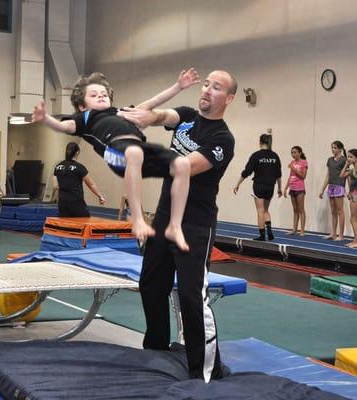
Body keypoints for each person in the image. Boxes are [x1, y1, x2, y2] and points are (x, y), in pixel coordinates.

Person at [118, 70, 237, 382]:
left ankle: (205, 371)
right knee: (151, 285)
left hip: (195, 226)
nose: (208, 90)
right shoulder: (185, 117)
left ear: (229, 98)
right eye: (207, 84)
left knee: (191, 298)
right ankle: (156, 351)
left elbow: (184, 167)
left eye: (217, 87)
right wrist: (165, 95)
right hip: (164, 218)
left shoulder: (222, 139)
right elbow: (146, 115)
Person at [32, 69, 201, 252]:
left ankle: (174, 226)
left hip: (140, 152)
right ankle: (137, 219)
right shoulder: (85, 118)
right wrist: (46, 119)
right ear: (82, 105)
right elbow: (63, 126)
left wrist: (179, 86)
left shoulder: (121, 112)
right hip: (115, 153)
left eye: (104, 94)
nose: (101, 97)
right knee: (134, 153)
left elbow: (152, 102)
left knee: (183, 164)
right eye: (94, 95)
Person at [233, 134, 282, 241]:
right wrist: (279, 188)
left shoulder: (256, 155)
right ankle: (269, 233)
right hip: (270, 186)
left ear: (260, 142)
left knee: (260, 210)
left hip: (259, 185)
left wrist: (238, 184)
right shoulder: (275, 156)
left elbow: (247, 172)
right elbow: (278, 174)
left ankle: (262, 235)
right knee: (266, 210)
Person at [53, 142, 105, 217]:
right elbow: (91, 184)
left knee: (66, 224)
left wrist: (59, 201)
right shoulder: (79, 167)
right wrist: (100, 196)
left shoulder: (58, 167)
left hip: (63, 202)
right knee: (84, 222)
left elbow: (55, 186)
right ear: (77, 153)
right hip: (76, 201)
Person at [318, 140, 347, 240]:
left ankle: (341, 235)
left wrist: (349, 190)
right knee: (333, 211)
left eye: (335, 148)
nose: (333, 149)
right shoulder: (330, 160)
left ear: (340, 149)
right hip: (331, 186)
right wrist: (322, 189)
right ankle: (333, 233)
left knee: (340, 211)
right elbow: (328, 176)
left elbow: (347, 175)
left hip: (339, 186)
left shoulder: (344, 160)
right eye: (332, 147)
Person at [341, 149, 357, 248]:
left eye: (351, 157)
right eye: (348, 157)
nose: (349, 159)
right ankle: (356, 240)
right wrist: (346, 164)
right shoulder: (352, 169)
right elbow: (341, 175)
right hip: (353, 194)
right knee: (354, 218)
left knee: (353, 218)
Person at [282, 146, 308, 236]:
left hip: (300, 188)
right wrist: (285, 188)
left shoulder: (304, 162)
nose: (293, 154)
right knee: (295, 210)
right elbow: (290, 176)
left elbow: (303, 176)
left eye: (295, 152)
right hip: (292, 188)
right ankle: (294, 229)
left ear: (300, 153)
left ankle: (302, 230)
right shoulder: (292, 162)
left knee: (301, 209)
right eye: (292, 152)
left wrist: (293, 168)